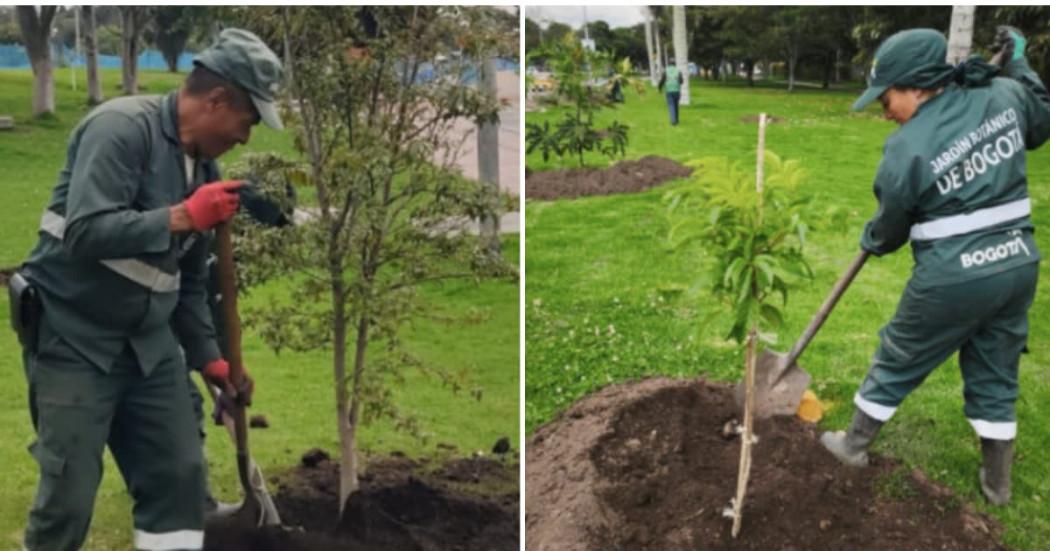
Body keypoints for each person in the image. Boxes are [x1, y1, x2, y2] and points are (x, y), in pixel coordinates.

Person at [13, 28, 283, 551]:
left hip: (148, 344)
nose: (246, 137)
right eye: (247, 121)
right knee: (68, 494)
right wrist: (182, 216)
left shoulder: (203, 166)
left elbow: (188, 280)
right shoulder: (120, 129)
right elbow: (85, 231)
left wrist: (210, 358)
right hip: (74, 337)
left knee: (179, 477)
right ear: (217, 99)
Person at [819, 27, 1050, 507]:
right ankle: (997, 485)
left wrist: (875, 237)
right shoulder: (1002, 93)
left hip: (955, 275)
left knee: (901, 353)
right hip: (1016, 264)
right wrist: (1021, 65)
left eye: (887, 97)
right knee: (994, 368)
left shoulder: (907, 146)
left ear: (918, 85)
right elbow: (1040, 120)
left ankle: (853, 446)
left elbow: (891, 224)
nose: (884, 110)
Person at [658, 60, 684, 126]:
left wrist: (659, 88)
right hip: (677, 90)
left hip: (669, 90)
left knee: (671, 105)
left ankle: (673, 121)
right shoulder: (678, 71)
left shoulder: (666, 71)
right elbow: (681, 81)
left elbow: (662, 80)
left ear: (669, 64)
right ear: (675, 64)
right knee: (676, 105)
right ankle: (677, 120)